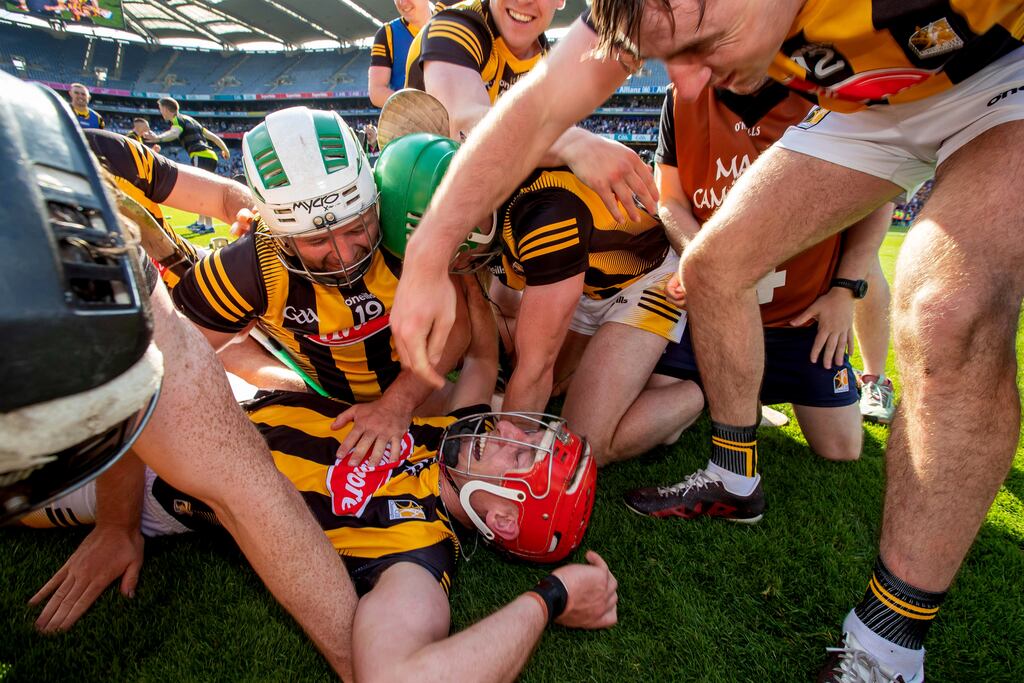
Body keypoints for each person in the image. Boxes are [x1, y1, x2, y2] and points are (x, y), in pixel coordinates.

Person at [389, 2, 1024, 680]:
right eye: (664, 57)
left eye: (701, 46)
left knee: (945, 309)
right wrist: (428, 253)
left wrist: (847, 285)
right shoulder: (665, 8)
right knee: (713, 263)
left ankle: (889, 643)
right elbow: (541, 104)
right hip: (869, 102)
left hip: (997, 74)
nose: (685, 84)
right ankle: (734, 472)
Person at [17, 192, 617, 681]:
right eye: (527, 435)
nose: (509, 430)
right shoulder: (457, 434)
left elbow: (396, 678)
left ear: (507, 520)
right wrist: (457, 257)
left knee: (16, 463)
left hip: (162, 477)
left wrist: (552, 598)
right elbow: (482, 360)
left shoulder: (418, 555)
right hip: (232, 401)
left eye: (522, 456)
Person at [0, 73, 374, 678]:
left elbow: (148, 385)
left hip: (155, 306)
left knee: (215, 421)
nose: (344, 249)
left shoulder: (78, 152)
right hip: (158, 310)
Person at [622, 81, 891, 522]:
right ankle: (740, 399)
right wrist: (701, 262)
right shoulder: (681, 95)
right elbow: (669, 199)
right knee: (661, 427)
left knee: (842, 447)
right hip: (714, 315)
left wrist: (844, 289)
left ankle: (746, 396)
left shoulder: (824, 81)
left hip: (800, 316)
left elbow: (879, 188)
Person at [173, 106, 472, 465]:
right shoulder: (249, 265)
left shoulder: (405, 214)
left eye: (357, 226)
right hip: (320, 395)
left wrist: (398, 403)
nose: (344, 254)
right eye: (316, 240)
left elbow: (457, 328)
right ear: (279, 235)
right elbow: (174, 363)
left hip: (417, 389)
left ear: (376, 200)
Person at [404, 0, 655, 220]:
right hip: (415, 203)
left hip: (480, 204)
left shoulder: (547, 60)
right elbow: (464, 122)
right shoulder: (455, 24)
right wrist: (571, 142)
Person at [145, 96, 230, 235]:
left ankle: (208, 226)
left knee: (201, 193)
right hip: (210, 156)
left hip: (200, 155)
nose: (161, 112)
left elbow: (175, 132)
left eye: (160, 109)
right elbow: (212, 137)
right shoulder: (191, 120)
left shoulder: (177, 120)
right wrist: (225, 149)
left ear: (166, 109)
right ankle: (201, 223)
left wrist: (158, 138)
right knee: (202, 191)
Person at [369, 0, 434, 107]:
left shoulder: (452, 25)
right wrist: (415, 107)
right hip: (408, 120)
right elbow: (376, 91)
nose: (402, 3)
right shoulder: (387, 33)